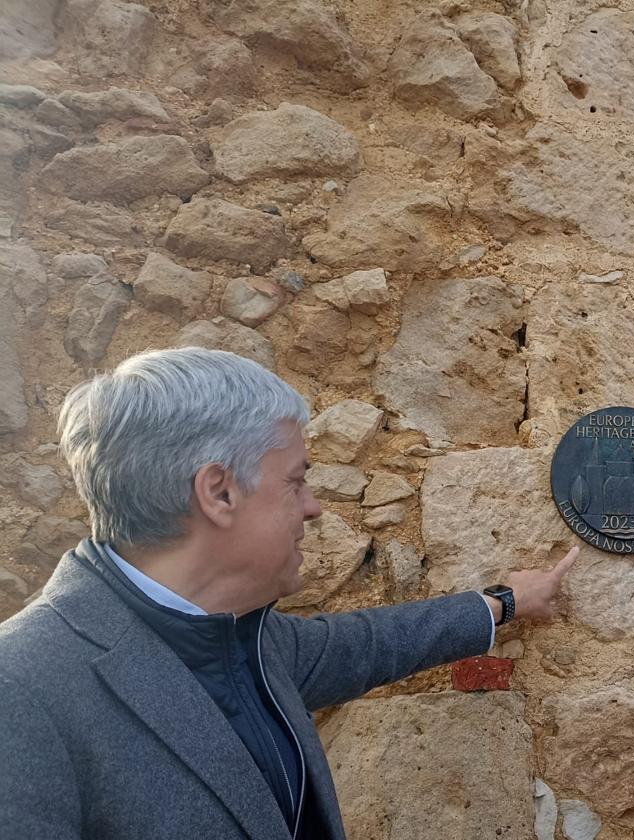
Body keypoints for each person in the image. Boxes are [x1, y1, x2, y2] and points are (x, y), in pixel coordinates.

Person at [0, 347, 579, 839]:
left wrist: (504, 603)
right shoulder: (22, 688)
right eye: (296, 480)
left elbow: (369, 644)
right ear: (219, 492)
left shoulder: (250, 636)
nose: (313, 506)